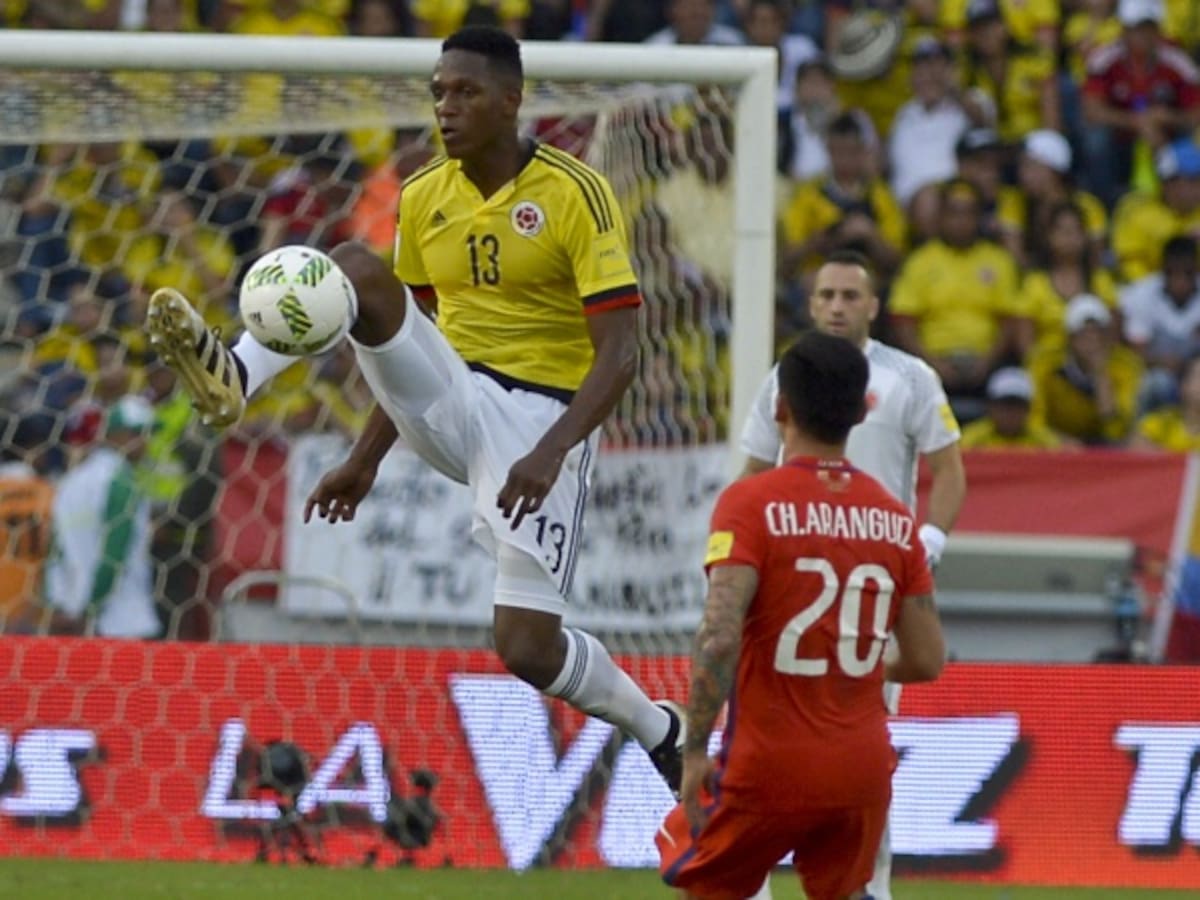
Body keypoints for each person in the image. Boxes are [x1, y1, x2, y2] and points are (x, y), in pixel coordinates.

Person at [144, 26, 686, 788]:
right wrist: (362, 461)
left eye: (464, 92)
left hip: (541, 424)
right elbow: (409, 337)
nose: (446, 107)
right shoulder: (424, 196)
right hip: (456, 396)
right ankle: (237, 371)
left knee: (527, 647)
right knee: (358, 272)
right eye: (438, 93)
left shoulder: (575, 192)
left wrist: (554, 447)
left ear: (510, 99)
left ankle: (661, 728)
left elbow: (622, 353)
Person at [657, 329, 946, 900]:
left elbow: (718, 636)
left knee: (705, 881)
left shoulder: (750, 503)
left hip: (767, 766)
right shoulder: (895, 521)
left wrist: (692, 751)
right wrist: (848, 662)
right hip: (860, 769)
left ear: (780, 408)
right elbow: (927, 658)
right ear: (863, 412)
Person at [738, 251, 966, 900]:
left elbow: (948, 470)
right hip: (793, 581)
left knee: (864, 741)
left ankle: (871, 884)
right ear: (810, 306)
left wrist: (925, 545)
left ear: (873, 306)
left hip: (871, 585)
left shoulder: (911, 378)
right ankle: (756, 880)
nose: (836, 306)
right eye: (826, 295)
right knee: (768, 730)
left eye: (849, 295)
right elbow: (754, 472)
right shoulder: (785, 378)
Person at [960, 366, 1064, 450]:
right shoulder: (971, 440)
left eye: (1017, 406)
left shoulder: (1045, 442)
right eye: (1005, 405)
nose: (1011, 413)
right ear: (991, 407)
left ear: (1028, 409)